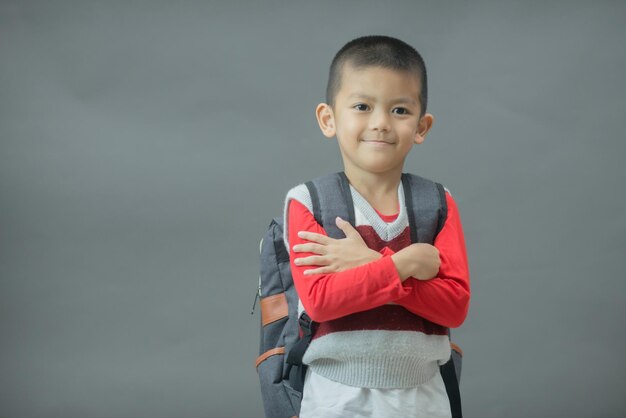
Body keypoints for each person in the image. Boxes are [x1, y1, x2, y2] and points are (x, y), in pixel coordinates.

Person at [282, 35, 470, 418]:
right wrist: (404, 264)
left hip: (424, 393)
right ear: (328, 118)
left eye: (400, 110)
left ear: (422, 126)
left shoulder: (437, 202)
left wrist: (368, 260)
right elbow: (320, 301)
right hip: (337, 394)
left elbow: (454, 307)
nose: (381, 123)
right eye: (363, 106)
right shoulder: (308, 201)